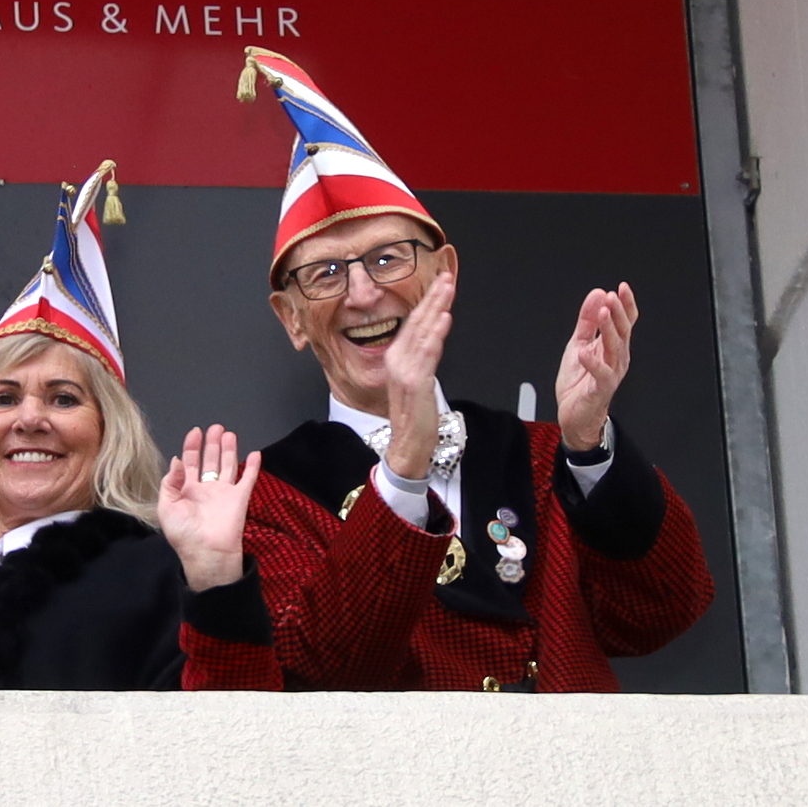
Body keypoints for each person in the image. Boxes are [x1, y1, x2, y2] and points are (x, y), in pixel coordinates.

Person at [233, 47, 715, 692]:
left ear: (446, 273)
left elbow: (663, 613)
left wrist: (588, 445)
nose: (363, 294)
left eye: (387, 258)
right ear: (291, 318)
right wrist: (403, 468)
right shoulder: (262, 498)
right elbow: (325, 672)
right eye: (325, 274)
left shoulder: (543, 458)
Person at [0, 162, 280, 691]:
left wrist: (216, 582)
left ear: (108, 434)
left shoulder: (152, 575)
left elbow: (229, 729)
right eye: (4, 398)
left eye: (63, 399)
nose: (30, 419)